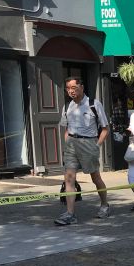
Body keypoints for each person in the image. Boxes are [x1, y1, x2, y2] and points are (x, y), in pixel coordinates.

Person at [54, 77, 111, 226]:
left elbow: (105, 129)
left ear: (82, 87)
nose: (71, 91)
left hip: (89, 142)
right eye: (68, 88)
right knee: (69, 178)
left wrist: (96, 145)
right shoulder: (67, 107)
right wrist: (67, 141)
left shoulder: (94, 104)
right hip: (72, 143)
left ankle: (104, 205)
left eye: (74, 87)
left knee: (95, 177)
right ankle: (70, 214)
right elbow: (66, 128)